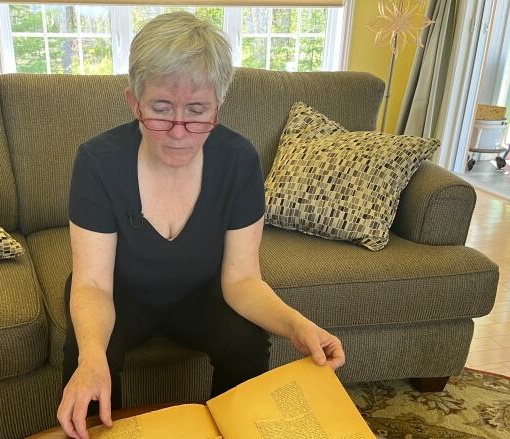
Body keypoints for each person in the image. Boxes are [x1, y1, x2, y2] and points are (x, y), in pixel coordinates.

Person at [56, 11, 345, 439]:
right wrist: (91, 358)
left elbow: (243, 279)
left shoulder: (239, 159)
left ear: (218, 106)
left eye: (197, 111)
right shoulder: (97, 161)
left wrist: (296, 325)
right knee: (88, 352)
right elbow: (93, 284)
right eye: (159, 109)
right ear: (133, 101)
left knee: (247, 337)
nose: (178, 131)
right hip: (118, 292)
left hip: (202, 294)